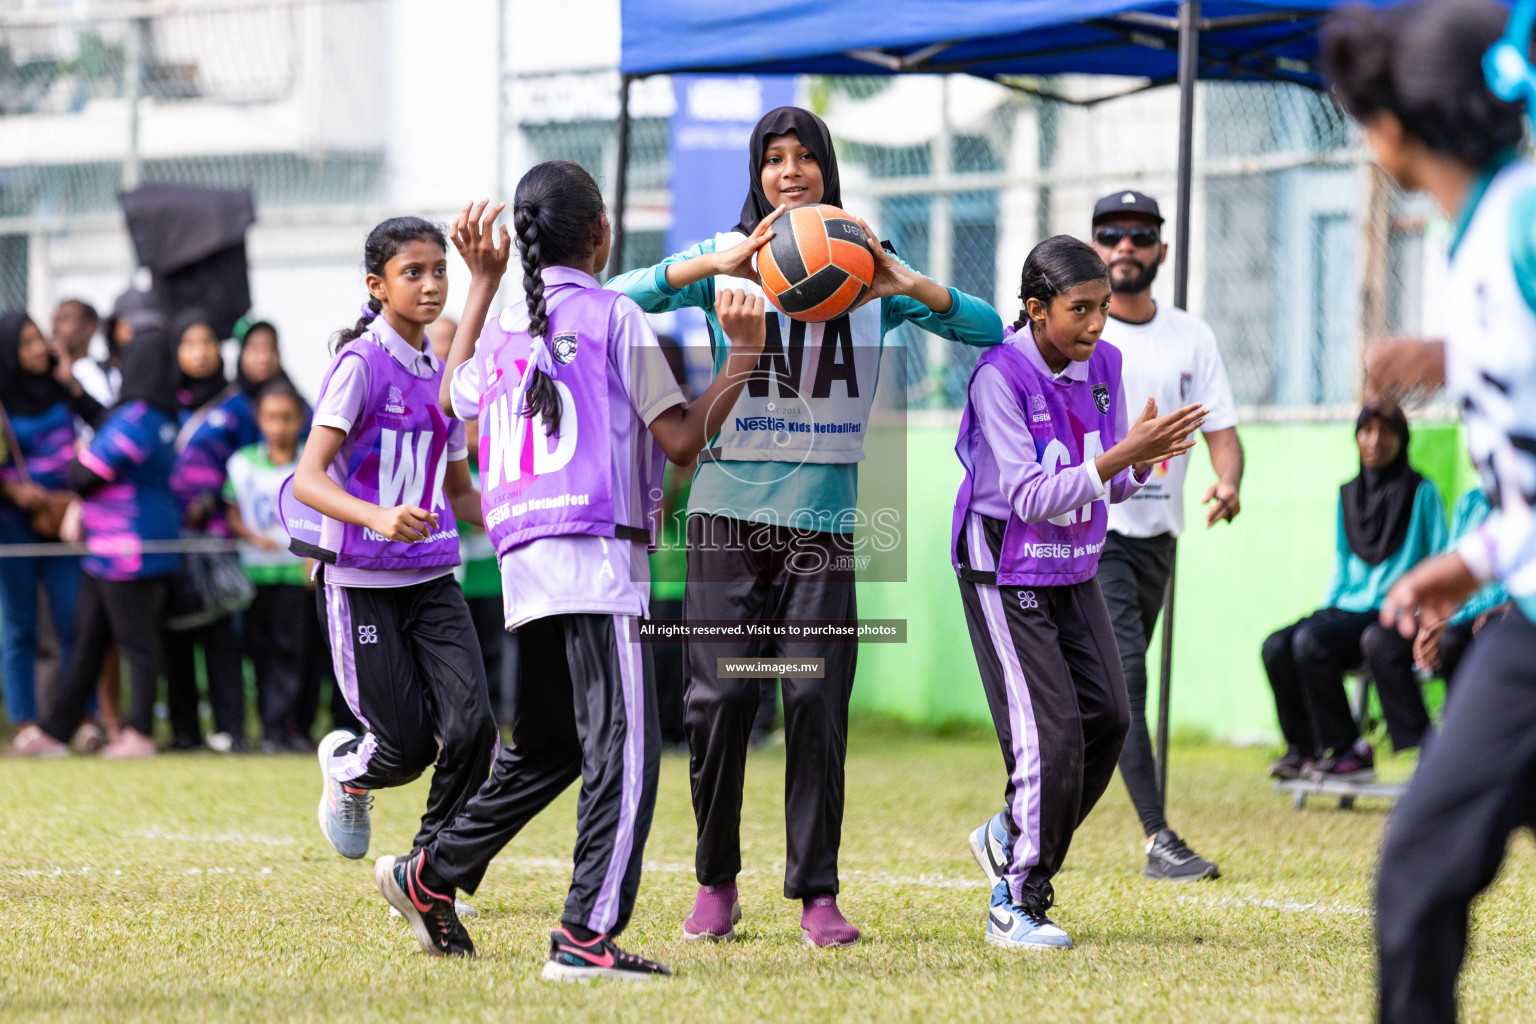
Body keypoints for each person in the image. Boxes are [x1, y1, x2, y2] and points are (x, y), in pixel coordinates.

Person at [607, 105, 1005, 947]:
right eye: (773, 159)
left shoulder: (865, 270)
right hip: (724, 519)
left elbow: (989, 329)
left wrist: (907, 282)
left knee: (817, 700)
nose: (790, 172)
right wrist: (698, 265)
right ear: (756, 174)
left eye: (805, 158)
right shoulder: (731, 268)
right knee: (719, 702)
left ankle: (816, 893)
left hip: (823, 529)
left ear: (826, 168)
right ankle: (716, 883)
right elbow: (612, 302)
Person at [372, 172, 767, 979]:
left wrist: (480, 285)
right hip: (593, 555)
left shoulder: (512, 328)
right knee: (625, 748)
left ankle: (430, 872)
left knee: (552, 745)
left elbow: (454, 394)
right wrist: (747, 356)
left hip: (526, 562)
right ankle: (586, 937)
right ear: (600, 234)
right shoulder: (616, 316)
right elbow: (683, 439)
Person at [1321, 2, 1536, 1017]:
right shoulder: (1483, 229)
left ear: (1397, 127)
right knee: (1424, 870)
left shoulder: (1525, 218)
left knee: (1415, 871)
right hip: (1522, 609)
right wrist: (1474, 557)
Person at [952, 236, 1203, 950]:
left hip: (1072, 557)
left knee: (1110, 717)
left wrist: (1142, 463)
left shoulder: (1107, 364)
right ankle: (1017, 898)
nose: (1096, 325)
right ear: (1035, 310)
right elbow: (1030, 495)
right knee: (1051, 735)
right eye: (1079, 310)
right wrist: (1118, 458)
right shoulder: (999, 376)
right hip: (1003, 559)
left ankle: (1009, 832)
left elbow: (1109, 476)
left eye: (1102, 308)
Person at [290, 215, 495, 872]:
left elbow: (461, 496)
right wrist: (374, 517)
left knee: (475, 730)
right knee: (405, 749)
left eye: (440, 270)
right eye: (415, 272)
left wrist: (529, 525)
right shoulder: (360, 367)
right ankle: (349, 772)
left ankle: (434, 871)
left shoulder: (445, 381)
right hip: (364, 584)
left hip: (433, 577)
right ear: (378, 285)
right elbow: (307, 479)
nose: (432, 284)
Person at [1084, 190, 1242, 883]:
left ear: (1161, 252)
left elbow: (1222, 431)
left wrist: (1228, 481)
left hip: (1159, 537)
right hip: (1097, 529)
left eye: (1139, 235)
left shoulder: (1191, 336)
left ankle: (1014, 822)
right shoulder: (1081, 334)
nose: (1126, 246)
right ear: (1094, 247)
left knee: (1105, 705)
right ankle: (1158, 840)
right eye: (1112, 234)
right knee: (1128, 683)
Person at [15, 320, 181, 758]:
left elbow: (84, 476)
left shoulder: (137, 419)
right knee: (89, 641)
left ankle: (139, 733)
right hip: (115, 551)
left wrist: (73, 459)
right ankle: (56, 731)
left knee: (136, 644)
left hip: (124, 550)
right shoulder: (162, 417)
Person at [1261, 405, 1446, 782]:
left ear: (1402, 438)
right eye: (1366, 431)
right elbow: (1342, 563)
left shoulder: (1422, 492)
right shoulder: (1348, 494)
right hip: (1347, 608)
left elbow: (1441, 557)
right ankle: (1303, 748)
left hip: (1394, 610)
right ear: (1356, 437)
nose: (1375, 441)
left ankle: (1350, 749)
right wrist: (1329, 609)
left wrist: (1430, 614)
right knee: (1276, 645)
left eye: (1386, 432)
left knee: (1312, 642)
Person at [0, 311, 104, 753]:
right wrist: (12, 488)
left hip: (63, 521)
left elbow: (107, 423)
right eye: (25, 343)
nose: (38, 348)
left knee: (75, 622)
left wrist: (71, 383)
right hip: (14, 524)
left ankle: (85, 719)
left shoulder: (63, 388)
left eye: (39, 339)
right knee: (20, 626)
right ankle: (25, 723)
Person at [1359, 485, 1509, 752]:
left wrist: (1495, 611)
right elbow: (1454, 569)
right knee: (1380, 641)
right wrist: (1432, 620)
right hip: (1463, 614)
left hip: (1509, 617)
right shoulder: (1471, 501)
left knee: (1451, 642)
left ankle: (1467, 751)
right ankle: (1426, 753)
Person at [164, 307, 247, 753]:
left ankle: (231, 729)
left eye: (208, 343)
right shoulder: (162, 401)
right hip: (170, 537)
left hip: (216, 536)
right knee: (174, 633)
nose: (200, 353)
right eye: (189, 344)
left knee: (220, 633)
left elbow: (250, 464)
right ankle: (183, 732)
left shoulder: (235, 404)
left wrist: (214, 498)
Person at [225, 381, 319, 753]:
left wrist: (314, 555)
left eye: (286, 418)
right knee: (259, 652)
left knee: (293, 651)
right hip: (254, 573)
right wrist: (251, 535)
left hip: (295, 574)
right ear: (259, 420)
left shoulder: (311, 464)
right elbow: (233, 514)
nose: (278, 426)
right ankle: (266, 727)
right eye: (270, 418)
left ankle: (287, 727)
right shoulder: (241, 462)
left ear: (300, 421)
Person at [50, 299, 114, 407]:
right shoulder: (49, 371)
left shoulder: (104, 375)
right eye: (55, 320)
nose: (56, 327)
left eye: (64, 319)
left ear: (89, 327)